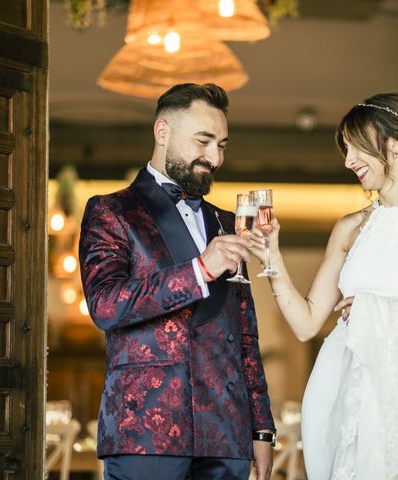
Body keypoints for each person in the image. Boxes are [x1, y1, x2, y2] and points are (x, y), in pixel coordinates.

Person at [249, 93, 398, 479]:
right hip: (335, 386)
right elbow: (307, 323)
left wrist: (377, 313)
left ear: (396, 143)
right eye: (345, 150)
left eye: (356, 147)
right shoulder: (348, 227)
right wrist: (271, 257)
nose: (348, 161)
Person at [79, 83, 276, 480]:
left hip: (227, 434)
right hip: (145, 434)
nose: (215, 157)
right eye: (203, 141)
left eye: (222, 144)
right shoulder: (111, 211)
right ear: (162, 132)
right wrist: (199, 270)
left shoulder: (227, 221)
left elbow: (246, 335)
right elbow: (105, 305)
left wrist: (261, 427)